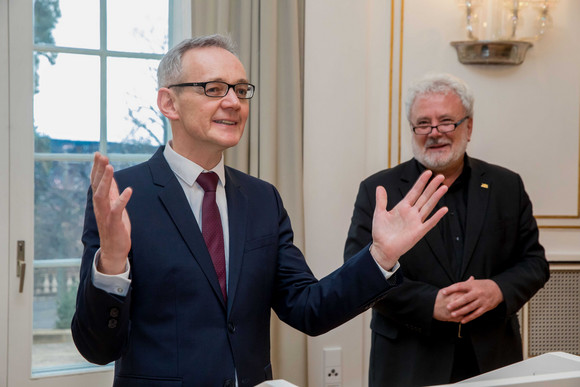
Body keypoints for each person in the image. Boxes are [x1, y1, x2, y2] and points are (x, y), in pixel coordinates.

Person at [71, 35, 448, 387]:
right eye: (213, 89)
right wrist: (113, 263)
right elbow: (98, 348)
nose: (234, 102)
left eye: (241, 90)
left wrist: (381, 255)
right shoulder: (122, 198)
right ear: (169, 103)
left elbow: (307, 309)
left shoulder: (261, 198)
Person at [344, 73, 550, 386]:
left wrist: (497, 290)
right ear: (412, 130)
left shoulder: (507, 186)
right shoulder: (379, 189)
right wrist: (430, 303)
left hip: (492, 358)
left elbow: (534, 263)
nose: (434, 133)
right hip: (408, 361)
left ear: (469, 127)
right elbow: (359, 272)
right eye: (423, 123)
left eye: (446, 121)